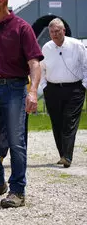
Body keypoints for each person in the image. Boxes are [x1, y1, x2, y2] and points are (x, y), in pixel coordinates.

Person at [0, 0, 43, 208]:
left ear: (1, 1)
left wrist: (32, 91)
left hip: (15, 89)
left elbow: (34, 63)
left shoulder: (23, 29)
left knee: (16, 141)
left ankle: (17, 191)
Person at [40, 18, 87, 168]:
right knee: (57, 122)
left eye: (57, 31)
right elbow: (41, 68)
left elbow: (86, 65)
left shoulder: (77, 45)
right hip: (52, 89)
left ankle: (67, 156)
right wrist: (44, 86)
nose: (54, 34)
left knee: (69, 120)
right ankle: (62, 154)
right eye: (52, 32)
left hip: (74, 89)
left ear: (64, 31)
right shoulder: (46, 47)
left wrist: (84, 85)